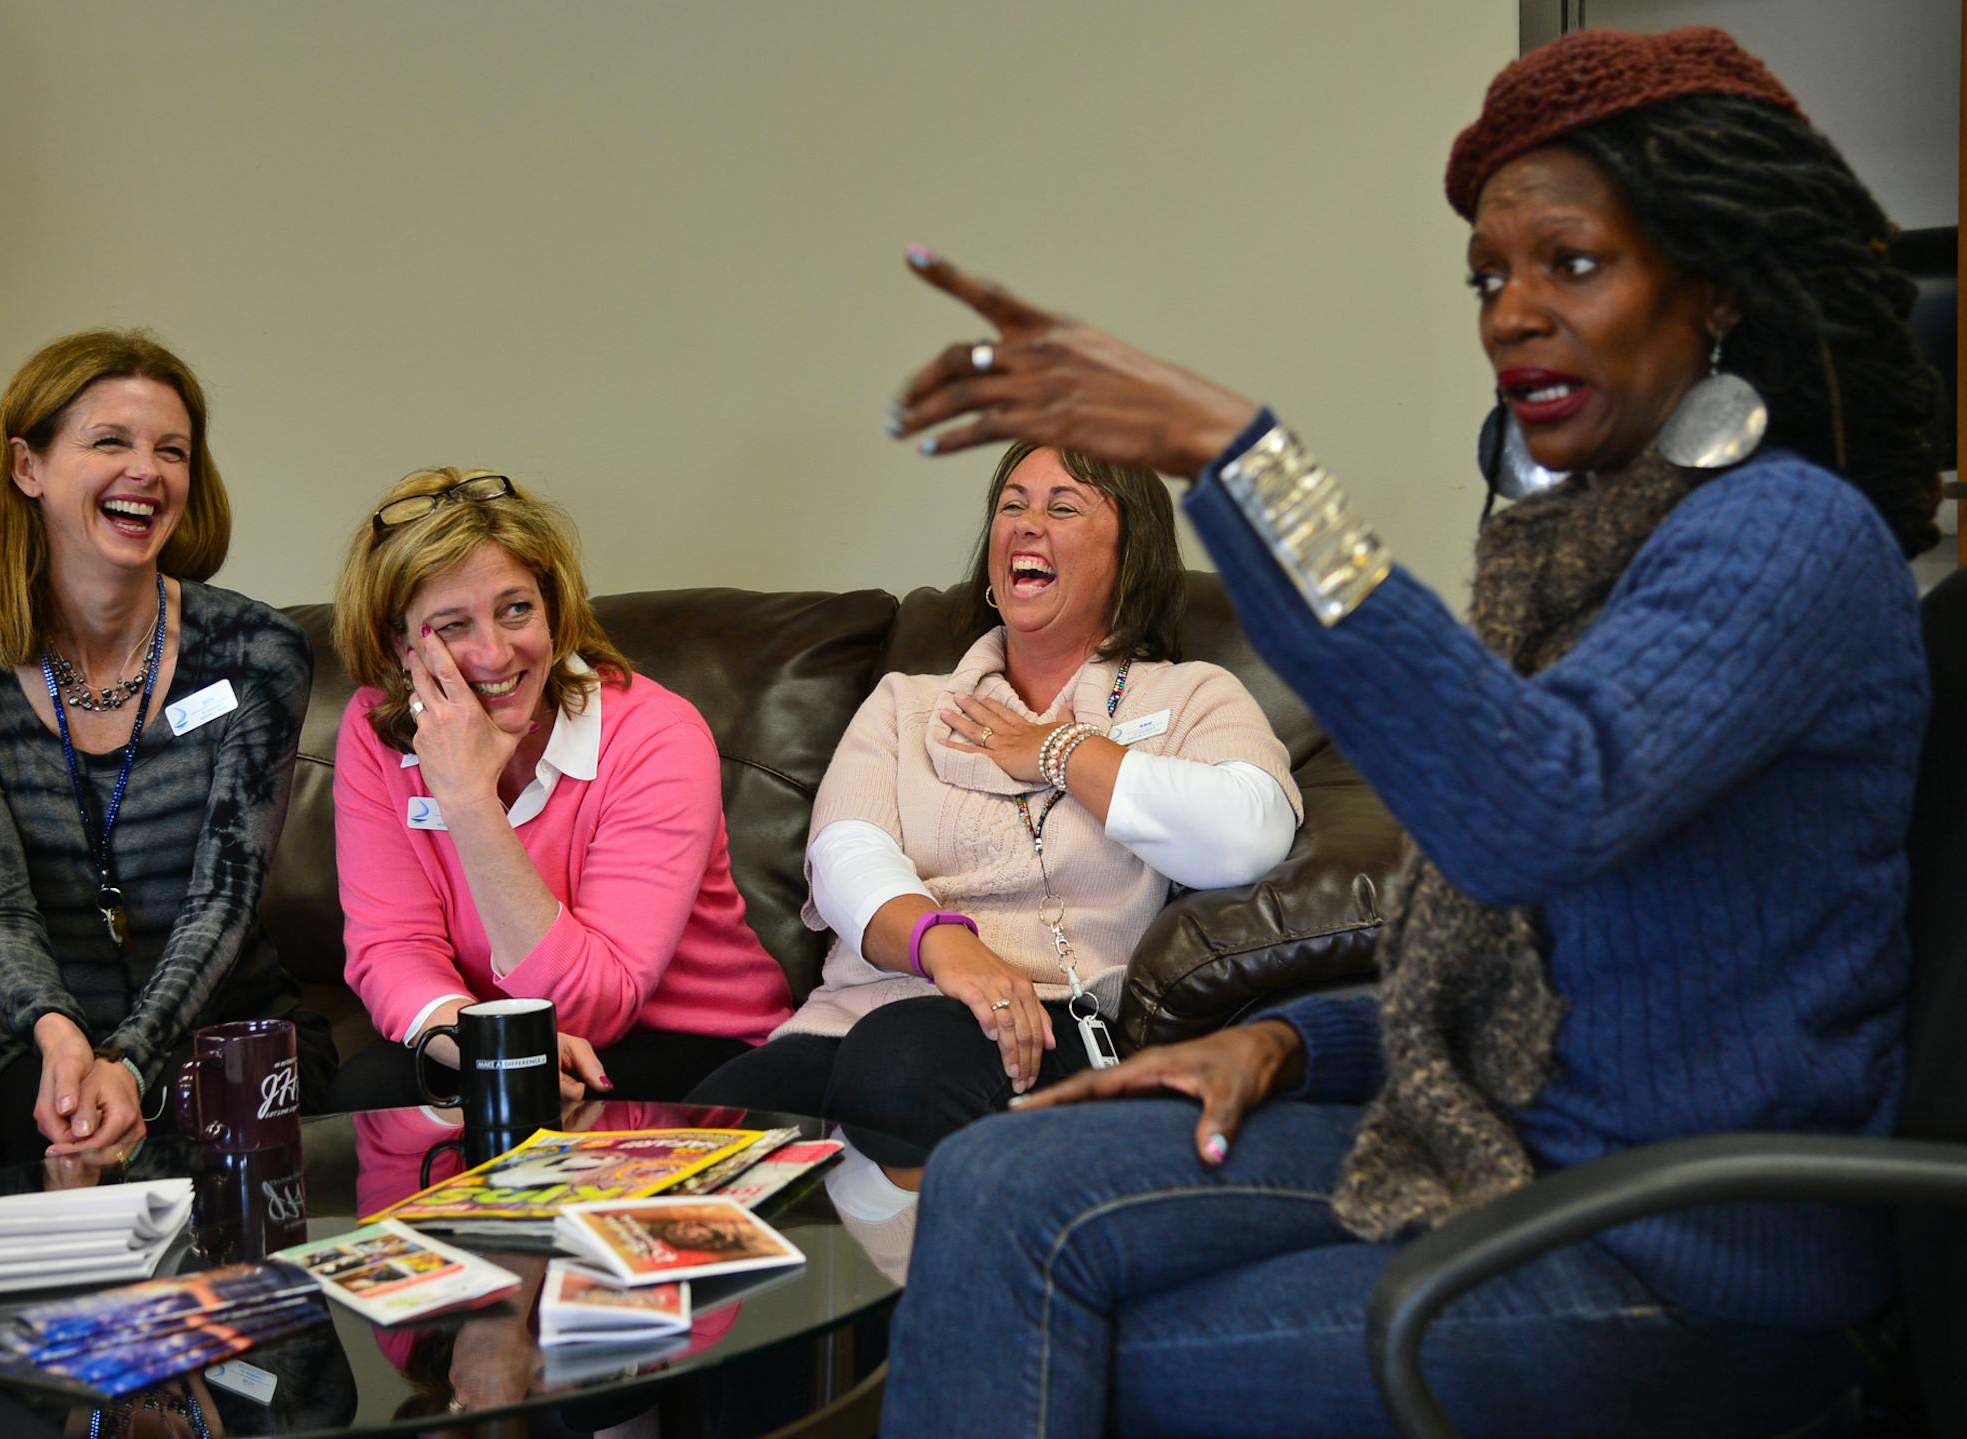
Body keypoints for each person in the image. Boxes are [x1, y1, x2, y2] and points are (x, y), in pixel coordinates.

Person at [873, 26, 1942, 1439]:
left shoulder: (1792, 536)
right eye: (1491, 277)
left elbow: (1532, 807)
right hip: (1519, 1155)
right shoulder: (1592, 553)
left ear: (1718, 286)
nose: (1510, 313)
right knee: (994, 1177)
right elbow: (1546, 965)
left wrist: (1239, 461)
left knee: (1041, 1331)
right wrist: (1291, 1045)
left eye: (1572, 263)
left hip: (1685, 1254)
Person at [689, 443, 1301, 1230]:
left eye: (1062, 506)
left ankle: (884, 1278)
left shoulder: (1189, 696)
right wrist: (946, 946)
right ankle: (836, 1288)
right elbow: (845, 853)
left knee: (901, 1065)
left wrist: (1058, 751)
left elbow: (1247, 835)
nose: (1026, 526)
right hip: (856, 1017)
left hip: (1047, 1024)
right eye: (1012, 504)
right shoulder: (908, 704)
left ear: (1132, 552)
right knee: (697, 1139)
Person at [0, 329, 335, 1166]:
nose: (148, 472)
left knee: (194, 1104)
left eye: (173, 451)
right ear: (28, 468)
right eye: (110, 442)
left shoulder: (255, 652)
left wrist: (131, 1058)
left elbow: (225, 900)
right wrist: (64, 1044)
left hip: (224, 1037)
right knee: (56, 1121)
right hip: (33, 1047)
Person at [325, 468, 792, 1109]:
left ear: (554, 612)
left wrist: (468, 799)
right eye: (452, 626)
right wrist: (471, 1039)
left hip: (689, 1047)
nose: (494, 654)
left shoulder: (657, 734)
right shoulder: (374, 728)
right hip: (492, 1028)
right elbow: (392, 945)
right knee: (371, 1087)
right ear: (399, 644)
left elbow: (595, 1008)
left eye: (517, 609)